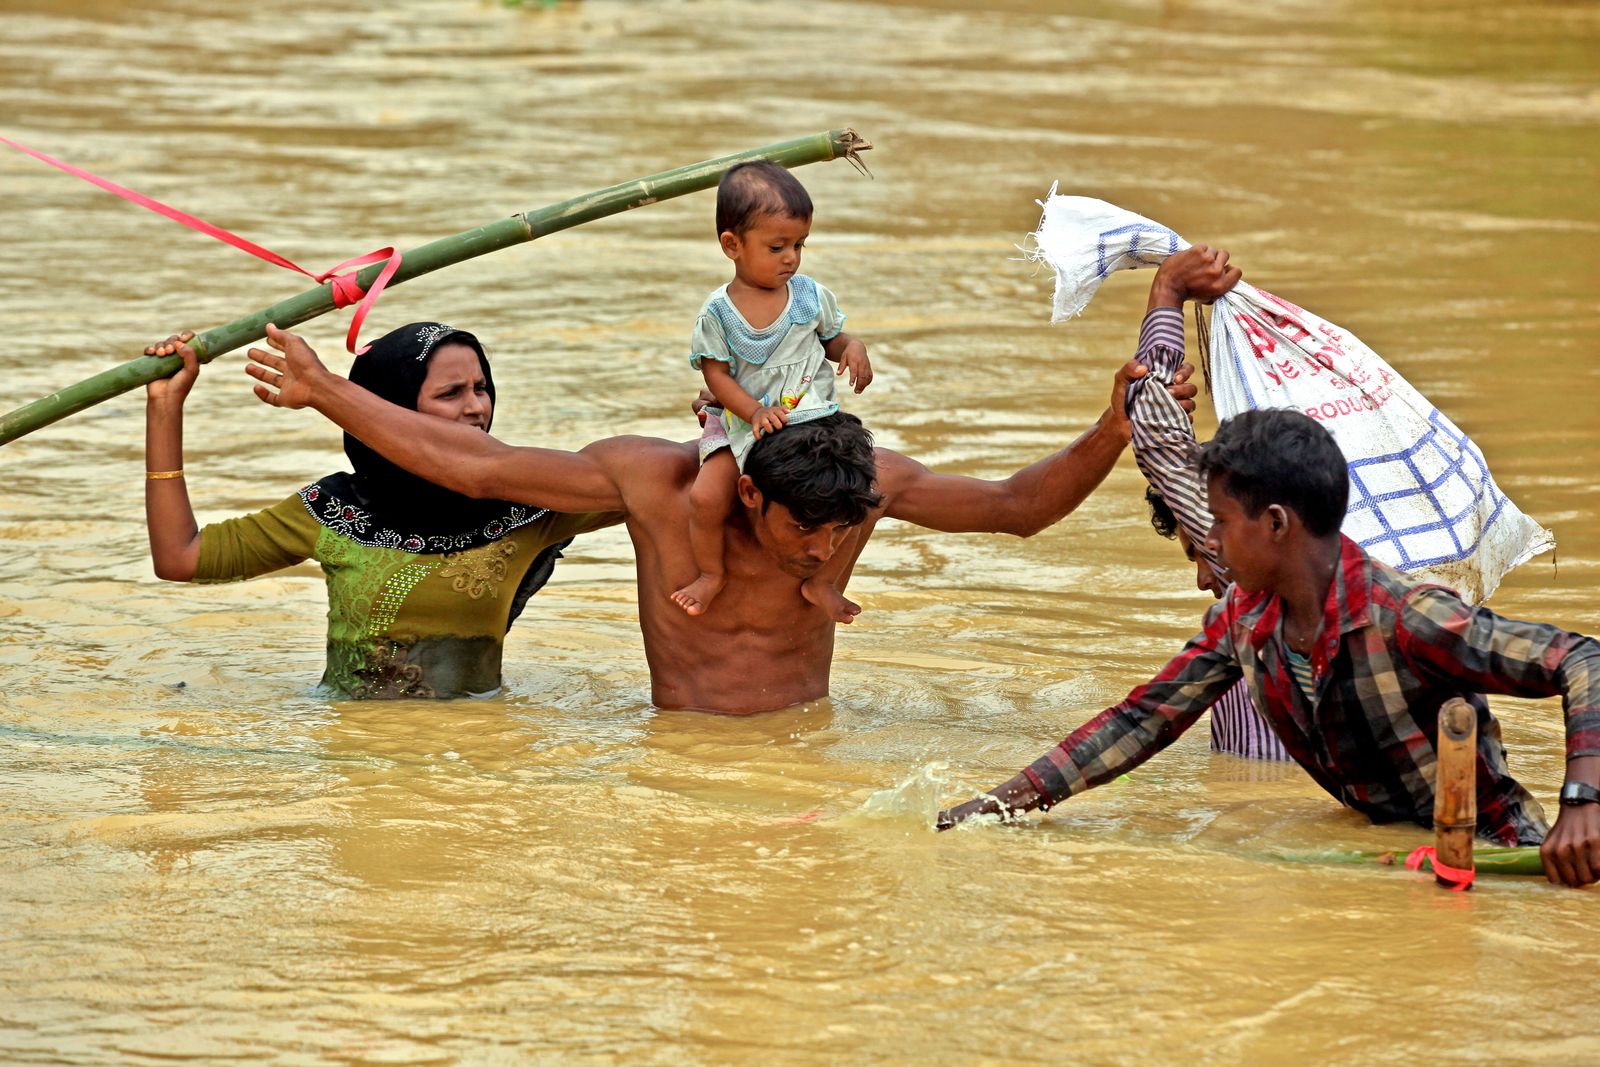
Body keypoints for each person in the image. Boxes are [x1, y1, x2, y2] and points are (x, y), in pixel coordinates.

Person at [935, 251, 1600, 887]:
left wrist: (1581, 801)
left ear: (1276, 524)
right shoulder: (1243, 621)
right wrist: (992, 808)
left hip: (1498, 862)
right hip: (1389, 862)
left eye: (1221, 523)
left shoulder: (1407, 617)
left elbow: (1582, 659)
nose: (1211, 541)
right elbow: (1138, 723)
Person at [241, 301, 1197, 715]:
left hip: (804, 745)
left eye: (839, 532)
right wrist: (327, 391)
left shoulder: (864, 484)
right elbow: (480, 471)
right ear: (746, 489)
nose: (820, 550)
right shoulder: (652, 484)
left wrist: (1109, 428)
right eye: (800, 530)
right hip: (681, 750)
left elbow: (1017, 508)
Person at [144, 322, 622, 699]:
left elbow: (646, 488)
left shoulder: (530, 503)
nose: (477, 406)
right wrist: (165, 409)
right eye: (450, 393)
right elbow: (180, 557)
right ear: (389, 406)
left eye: (481, 387)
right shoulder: (335, 509)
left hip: (474, 754)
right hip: (353, 751)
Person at [673, 161, 873, 622]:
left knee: (859, 492)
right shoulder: (718, 313)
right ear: (732, 245)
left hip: (814, 416)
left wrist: (852, 347)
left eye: (799, 245)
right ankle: (711, 575)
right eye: (777, 247)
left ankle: (823, 582)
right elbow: (717, 376)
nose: (791, 259)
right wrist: (753, 411)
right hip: (744, 421)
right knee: (706, 497)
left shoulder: (810, 295)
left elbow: (831, 340)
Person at [1126, 269, 1291, 762]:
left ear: (1272, 525)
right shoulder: (1373, 594)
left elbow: (1160, 441)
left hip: (1261, 804)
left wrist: (1168, 291)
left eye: (1204, 542)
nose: (1205, 576)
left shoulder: (1261, 601)